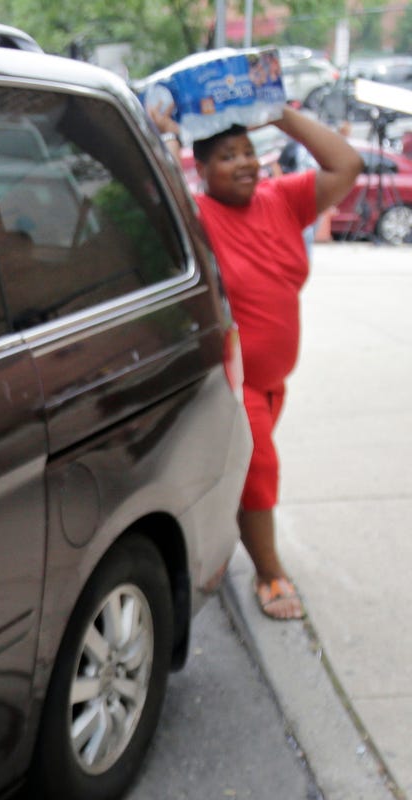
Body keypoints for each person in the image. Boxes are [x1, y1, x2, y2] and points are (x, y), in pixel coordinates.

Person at [152, 106, 362, 619]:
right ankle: (270, 575)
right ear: (200, 168)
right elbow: (145, 197)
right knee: (259, 468)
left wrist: (278, 115)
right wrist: (162, 132)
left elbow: (347, 166)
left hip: (272, 381)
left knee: (236, 476)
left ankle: (215, 551)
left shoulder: (283, 200)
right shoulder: (196, 215)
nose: (244, 163)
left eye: (248, 152)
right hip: (230, 378)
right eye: (227, 156)